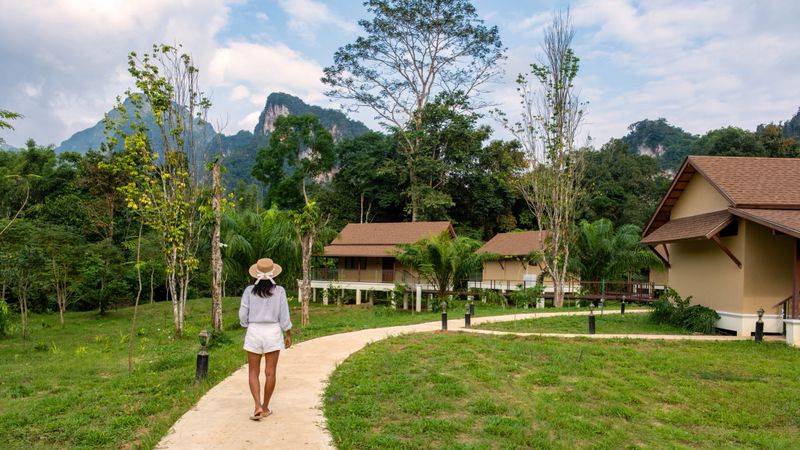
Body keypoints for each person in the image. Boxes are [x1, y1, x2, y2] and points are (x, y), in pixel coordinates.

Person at [239, 258, 292, 420]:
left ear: (256, 272)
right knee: (270, 372)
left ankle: (257, 406)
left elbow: (243, 313)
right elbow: (284, 314)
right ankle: (266, 407)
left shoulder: (249, 291)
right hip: (273, 332)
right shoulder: (280, 291)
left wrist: (246, 323)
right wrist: (288, 333)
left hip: (254, 331)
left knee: (253, 372)